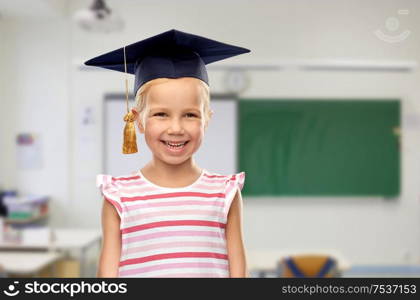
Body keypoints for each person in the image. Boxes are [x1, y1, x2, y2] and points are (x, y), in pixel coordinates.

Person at [85, 29, 250, 277]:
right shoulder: (117, 196)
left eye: (191, 114)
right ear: (138, 121)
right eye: (161, 114)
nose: (176, 128)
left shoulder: (225, 192)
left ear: (207, 120)